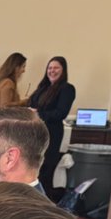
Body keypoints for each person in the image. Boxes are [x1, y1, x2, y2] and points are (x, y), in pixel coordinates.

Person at [29, 56, 76, 199]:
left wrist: (39, 113)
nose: (52, 71)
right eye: (50, 68)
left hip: (51, 134)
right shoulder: (43, 87)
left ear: (63, 70)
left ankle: (43, 202)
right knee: (34, 168)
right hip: (35, 133)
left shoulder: (67, 89)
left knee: (46, 170)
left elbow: (61, 113)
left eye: (56, 68)